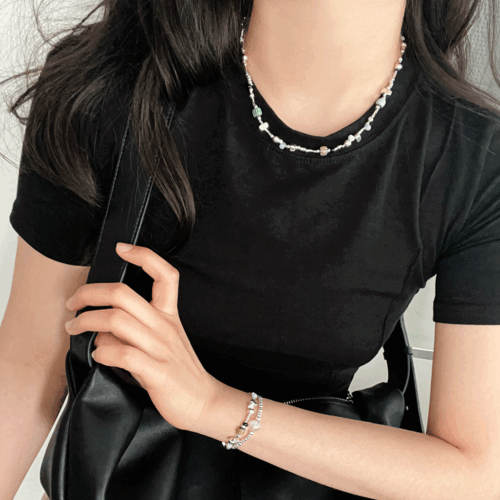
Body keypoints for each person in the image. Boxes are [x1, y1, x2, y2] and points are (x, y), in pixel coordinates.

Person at [2, 0, 500, 498]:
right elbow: (29, 363)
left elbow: (474, 474)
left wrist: (213, 407)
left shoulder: (476, 161)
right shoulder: (109, 88)